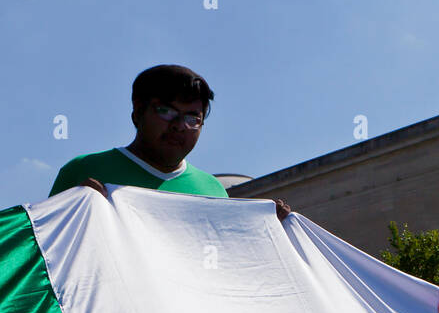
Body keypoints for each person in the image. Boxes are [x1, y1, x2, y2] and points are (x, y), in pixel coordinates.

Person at [49, 64, 289, 219]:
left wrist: (267, 231)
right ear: (137, 112)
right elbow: (42, 260)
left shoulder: (213, 190)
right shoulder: (83, 172)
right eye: (166, 111)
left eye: (193, 117)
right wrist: (73, 211)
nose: (179, 125)